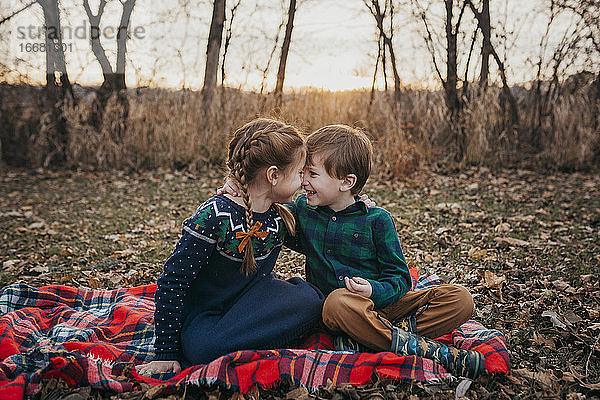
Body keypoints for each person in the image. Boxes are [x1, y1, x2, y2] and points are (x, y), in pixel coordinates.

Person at [219, 124, 485, 379]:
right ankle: (416, 346)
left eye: (312, 174)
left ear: (346, 182)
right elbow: (264, 214)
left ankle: (370, 338)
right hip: (337, 312)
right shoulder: (303, 210)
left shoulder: (377, 220)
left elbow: (401, 280)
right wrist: (239, 189)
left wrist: (372, 290)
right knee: (337, 301)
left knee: (460, 299)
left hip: (382, 307)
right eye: (302, 173)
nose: (303, 182)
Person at [137, 118, 325, 375]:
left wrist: (353, 206)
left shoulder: (280, 215)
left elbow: (324, 236)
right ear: (273, 175)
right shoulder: (215, 216)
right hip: (208, 317)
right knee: (203, 351)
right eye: (299, 173)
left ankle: (251, 336)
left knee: (312, 302)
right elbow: (173, 281)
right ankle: (255, 337)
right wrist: (166, 352)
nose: (303, 181)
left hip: (253, 303)